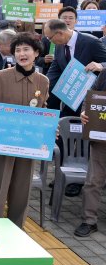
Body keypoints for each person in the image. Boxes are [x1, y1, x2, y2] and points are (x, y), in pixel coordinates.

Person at [0, 33, 49, 228]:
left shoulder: (42, 81)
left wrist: (48, 129)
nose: (22, 53)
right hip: (2, 142)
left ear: (36, 53)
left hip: (28, 144)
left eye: (26, 49)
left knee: (22, 189)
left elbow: (43, 109)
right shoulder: (2, 76)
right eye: (18, 50)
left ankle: (16, 229)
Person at [44, 18, 106, 117]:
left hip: (90, 101)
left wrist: (101, 66)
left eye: (49, 38)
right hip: (69, 100)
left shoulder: (91, 42)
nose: (49, 41)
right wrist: (42, 86)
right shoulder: (59, 46)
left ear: (60, 33)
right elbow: (54, 72)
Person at [76, 69, 106, 236]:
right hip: (101, 136)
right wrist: (85, 113)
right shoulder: (105, 74)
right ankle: (89, 220)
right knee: (94, 180)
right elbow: (91, 99)